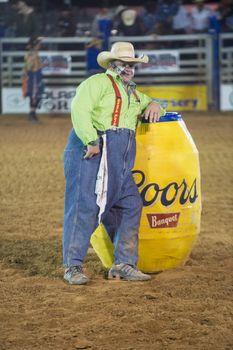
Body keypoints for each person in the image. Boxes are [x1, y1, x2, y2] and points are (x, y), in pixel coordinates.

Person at [63, 41, 166, 285]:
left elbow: (158, 104)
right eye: (124, 64)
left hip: (118, 156)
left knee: (130, 203)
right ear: (112, 64)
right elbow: (79, 110)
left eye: (132, 64)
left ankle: (124, 263)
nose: (129, 68)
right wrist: (91, 140)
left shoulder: (134, 94)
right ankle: (72, 266)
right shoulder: (96, 83)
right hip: (94, 150)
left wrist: (155, 104)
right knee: (85, 205)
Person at [22, 36, 44, 123]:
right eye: (38, 44)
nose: (39, 45)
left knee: (36, 95)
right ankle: (32, 114)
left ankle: (33, 113)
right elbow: (28, 66)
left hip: (36, 75)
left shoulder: (34, 53)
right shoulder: (32, 54)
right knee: (34, 95)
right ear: (35, 45)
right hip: (34, 75)